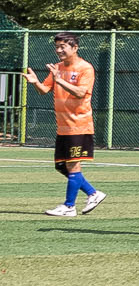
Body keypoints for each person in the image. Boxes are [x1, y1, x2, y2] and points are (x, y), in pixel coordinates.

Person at [26, 33, 104, 216]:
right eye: (57, 47)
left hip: (79, 125)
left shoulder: (86, 68)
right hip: (63, 126)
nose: (59, 50)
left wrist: (59, 79)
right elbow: (44, 89)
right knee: (61, 166)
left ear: (75, 47)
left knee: (73, 166)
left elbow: (80, 93)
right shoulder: (58, 67)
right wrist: (36, 82)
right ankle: (93, 193)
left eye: (63, 47)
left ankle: (69, 206)